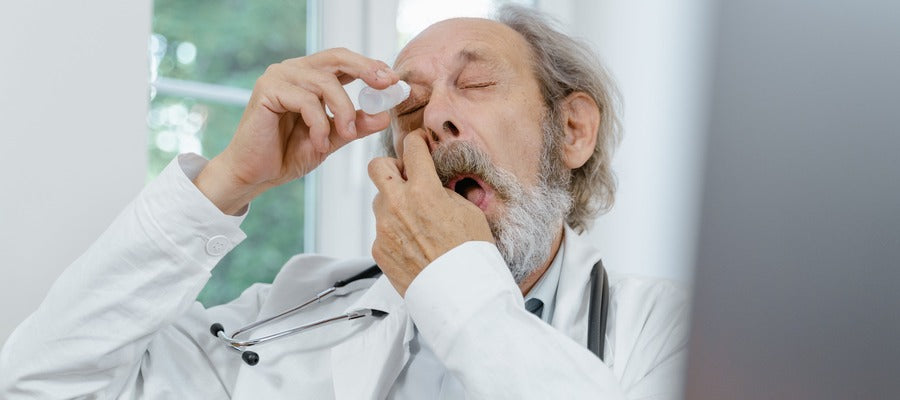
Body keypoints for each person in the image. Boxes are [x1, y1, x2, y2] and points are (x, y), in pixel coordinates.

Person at [0, 5, 688, 399]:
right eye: (409, 102)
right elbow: (41, 385)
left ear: (572, 131)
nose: (434, 119)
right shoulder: (290, 313)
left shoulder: (674, 333)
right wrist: (229, 182)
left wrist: (453, 285)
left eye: (474, 84)